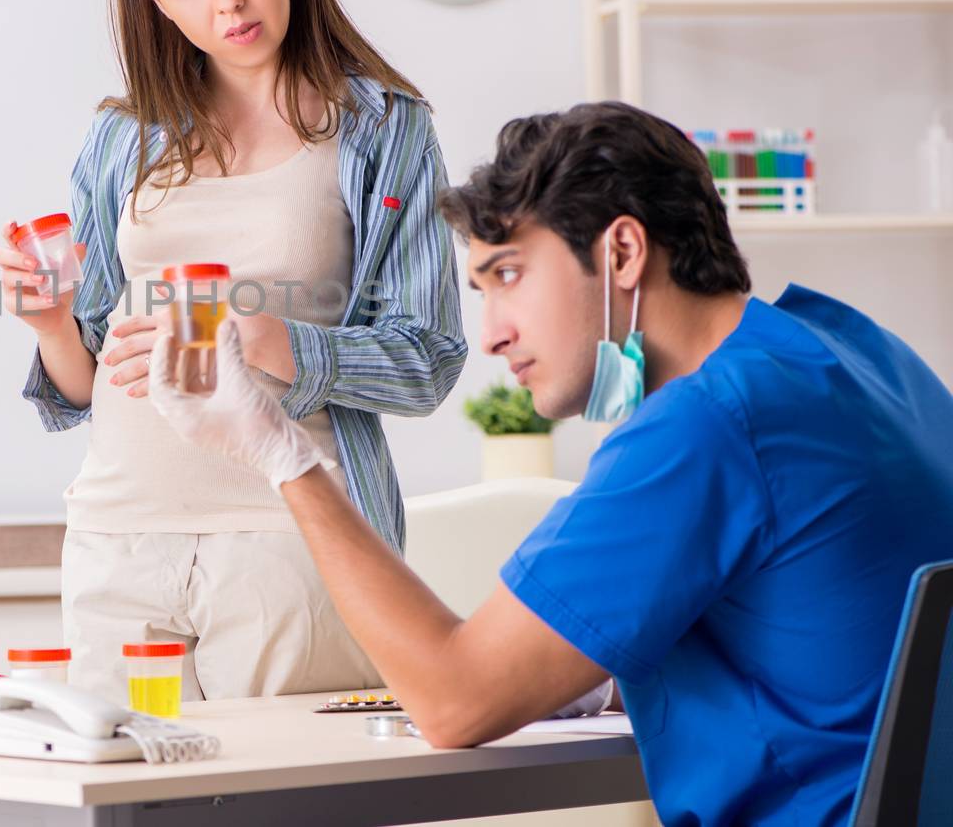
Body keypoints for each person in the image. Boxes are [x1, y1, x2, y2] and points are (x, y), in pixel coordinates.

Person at [148, 101, 953, 826]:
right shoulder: (863, 354)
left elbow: (453, 701)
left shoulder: (706, 425)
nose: (492, 333)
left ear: (624, 251)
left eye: (508, 275)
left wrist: (280, 453)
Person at [0, 0, 467, 701]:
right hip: (117, 539)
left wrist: (273, 340)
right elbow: (86, 377)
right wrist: (51, 322)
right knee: (128, 797)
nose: (228, 1)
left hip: (291, 539)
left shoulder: (383, 130)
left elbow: (429, 358)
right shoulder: (122, 139)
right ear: (155, 2)